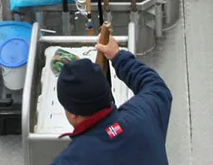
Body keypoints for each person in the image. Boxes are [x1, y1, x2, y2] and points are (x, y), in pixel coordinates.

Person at [51, 34, 172, 165]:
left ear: (73, 114)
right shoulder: (144, 114)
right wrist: (118, 56)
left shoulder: (71, 160)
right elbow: (156, 87)